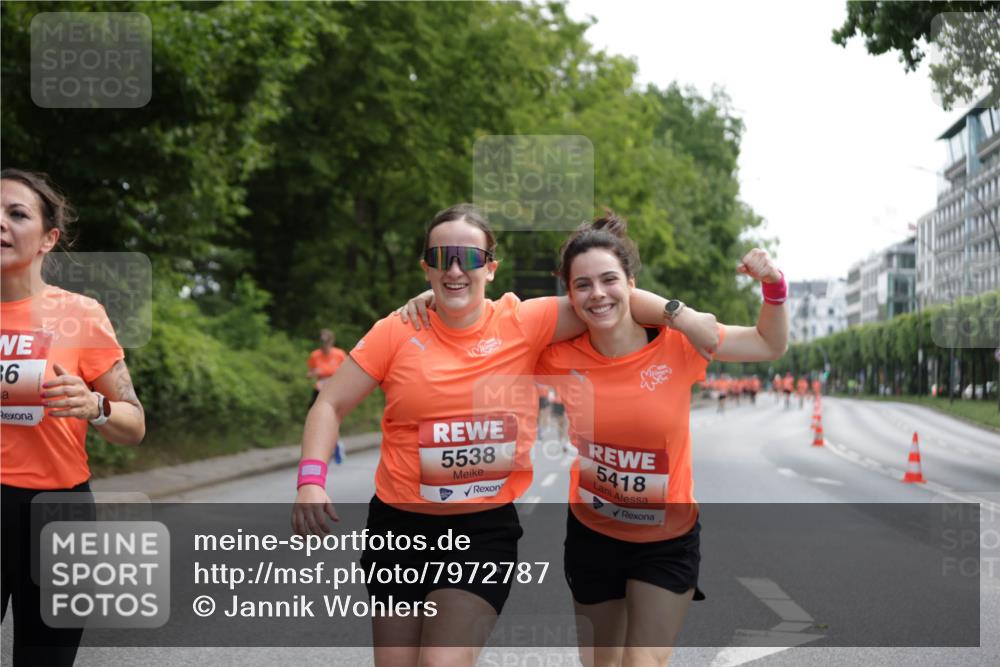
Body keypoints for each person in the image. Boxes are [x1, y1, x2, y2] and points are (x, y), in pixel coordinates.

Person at [291, 203, 721, 667]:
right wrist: (311, 478)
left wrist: (681, 315)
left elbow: (607, 295)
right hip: (399, 527)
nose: (455, 268)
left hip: (480, 531)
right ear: (425, 267)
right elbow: (329, 404)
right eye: (441, 258)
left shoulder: (523, 322)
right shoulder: (397, 330)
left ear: (491, 268)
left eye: (469, 258)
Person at [535, 212, 788, 666]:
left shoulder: (678, 344)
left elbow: (768, 345)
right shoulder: (556, 356)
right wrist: (430, 297)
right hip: (593, 535)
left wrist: (773, 286)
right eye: (583, 285)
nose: (598, 294)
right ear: (569, 294)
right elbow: (486, 328)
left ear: (631, 282)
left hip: (666, 539)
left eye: (610, 280)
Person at [1, 169, 146, 666]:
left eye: (16, 214)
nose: (0, 223)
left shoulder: (81, 315)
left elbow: (135, 423)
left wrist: (96, 406)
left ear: (48, 239)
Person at [307, 328, 347, 463]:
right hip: (319, 391)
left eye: (327, 343)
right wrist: (314, 373)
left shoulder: (339, 354)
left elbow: (347, 372)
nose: (325, 346)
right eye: (322, 343)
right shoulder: (315, 355)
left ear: (332, 342)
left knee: (333, 417)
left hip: (335, 389)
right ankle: (324, 446)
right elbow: (310, 373)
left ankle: (335, 443)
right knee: (316, 418)